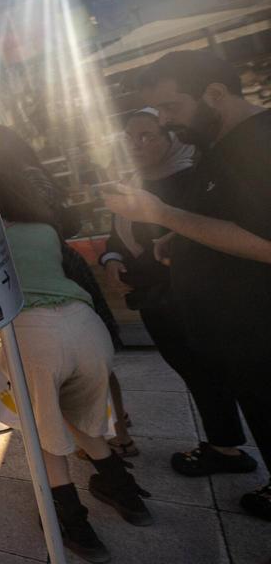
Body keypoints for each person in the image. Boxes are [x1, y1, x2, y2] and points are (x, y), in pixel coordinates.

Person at [0, 168, 153, 563]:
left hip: (34, 336)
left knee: (42, 434)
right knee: (80, 418)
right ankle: (127, 495)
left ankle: (74, 525)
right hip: (86, 327)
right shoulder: (44, 228)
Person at [105, 50, 271, 520]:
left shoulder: (254, 144)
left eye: (173, 109)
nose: (170, 123)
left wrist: (162, 216)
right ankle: (228, 450)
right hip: (237, 326)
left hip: (258, 322)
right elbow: (229, 220)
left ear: (214, 95)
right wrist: (180, 239)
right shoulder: (224, 147)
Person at [0, 124, 136, 455]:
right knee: (90, 362)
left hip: (58, 265)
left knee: (83, 366)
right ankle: (114, 430)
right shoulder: (32, 172)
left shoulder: (21, 179)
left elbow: (49, 219)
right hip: (59, 260)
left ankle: (111, 431)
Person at [101, 112, 223, 462]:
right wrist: (111, 259)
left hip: (185, 296)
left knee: (206, 371)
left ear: (170, 138)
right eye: (129, 136)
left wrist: (134, 274)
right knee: (189, 368)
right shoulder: (132, 181)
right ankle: (223, 442)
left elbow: (187, 243)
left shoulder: (190, 181)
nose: (136, 144)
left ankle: (224, 446)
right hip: (152, 299)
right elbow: (116, 234)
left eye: (147, 135)